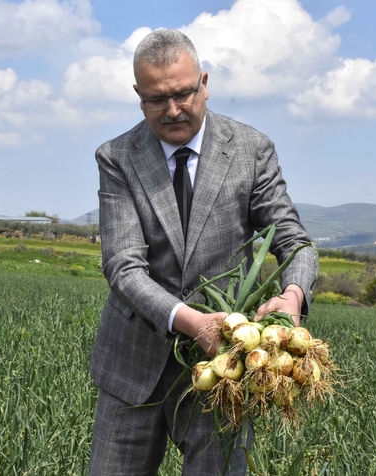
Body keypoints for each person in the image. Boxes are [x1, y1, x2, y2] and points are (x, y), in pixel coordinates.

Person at [88, 28, 315, 475]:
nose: (173, 109)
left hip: (227, 367)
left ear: (204, 84)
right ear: (138, 96)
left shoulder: (250, 150)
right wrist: (193, 323)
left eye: (183, 94)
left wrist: (293, 296)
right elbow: (123, 267)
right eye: (157, 99)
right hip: (133, 363)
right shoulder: (117, 157)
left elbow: (294, 241)